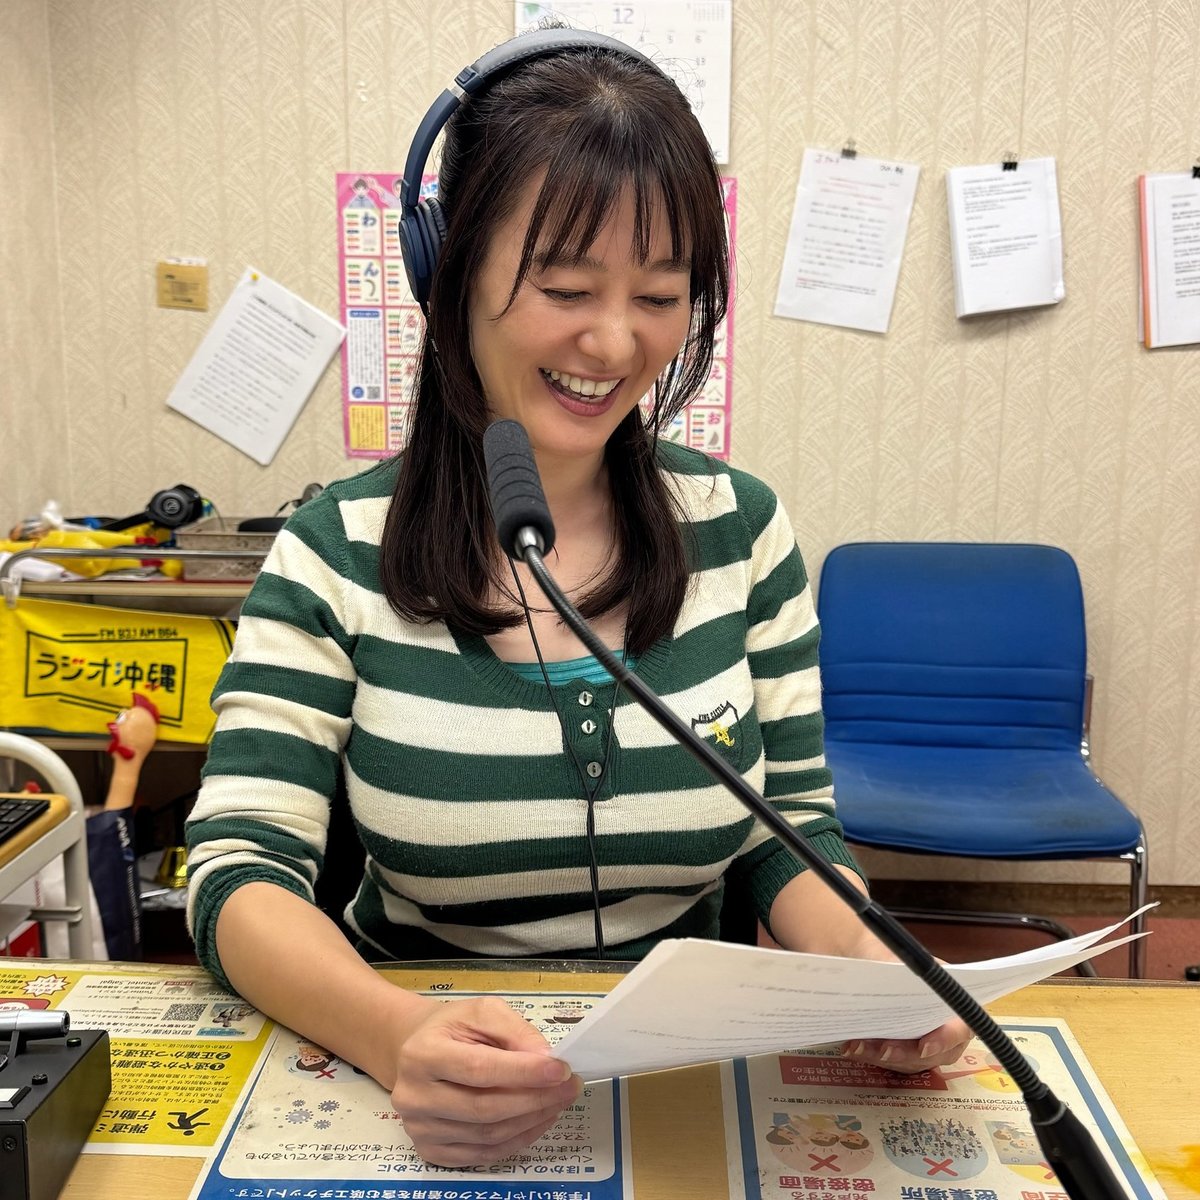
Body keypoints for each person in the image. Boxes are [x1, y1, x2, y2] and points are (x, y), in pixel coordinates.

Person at [185, 25, 970, 1169]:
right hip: (412, 1065)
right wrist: (393, 1035)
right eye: (564, 287)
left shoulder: (739, 528)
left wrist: (868, 961)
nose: (614, 342)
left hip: (683, 1076)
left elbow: (789, 831)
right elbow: (240, 869)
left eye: (660, 294)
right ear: (448, 269)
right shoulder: (332, 553)